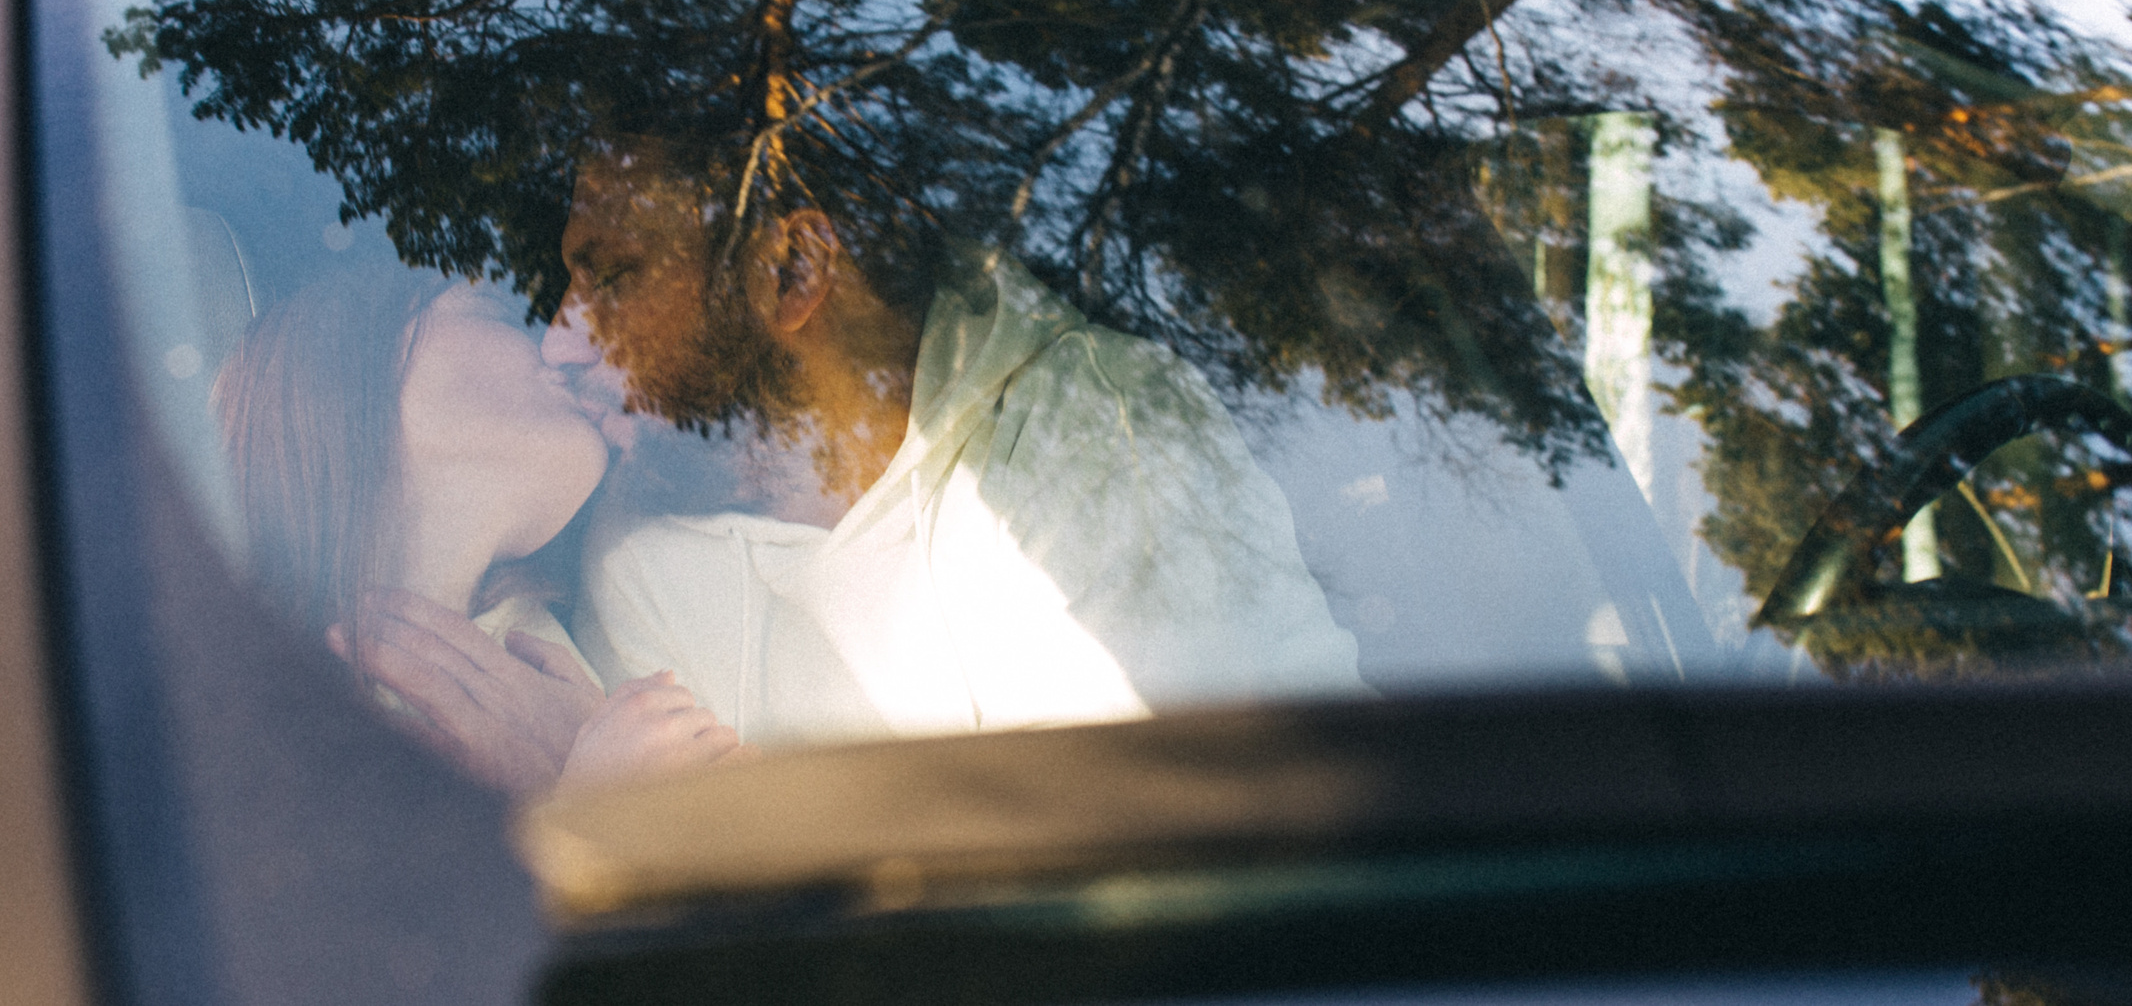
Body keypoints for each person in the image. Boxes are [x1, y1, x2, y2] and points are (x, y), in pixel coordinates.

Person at [401, 135, 1362, 751]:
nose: (559, 338)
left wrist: (674, 824)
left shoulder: (1093, 444)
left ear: (793, 269)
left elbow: (1201, 898)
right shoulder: (629, 539)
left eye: (611, 276)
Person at [215, 262, 748, 797]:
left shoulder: (626, 632)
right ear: (345, 375)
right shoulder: (250, 753)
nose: (556, 352)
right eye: (499, 314)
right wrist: (595, 813)